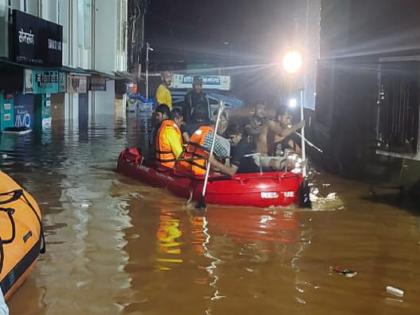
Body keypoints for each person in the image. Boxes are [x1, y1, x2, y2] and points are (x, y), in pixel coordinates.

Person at [176, 107, 235, 176]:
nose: (225, 127)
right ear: (220, 121)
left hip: (188, 169)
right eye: (225, 123)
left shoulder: (200, 131)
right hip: (201, 174)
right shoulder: (216, 140)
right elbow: (228, 169)